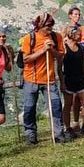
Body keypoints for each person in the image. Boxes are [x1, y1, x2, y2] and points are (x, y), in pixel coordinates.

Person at [19, 14, 64, 145]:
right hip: (31, 79)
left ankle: (58, 134)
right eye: (48, 26)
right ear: (39, 26)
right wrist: (44, 50)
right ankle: (30, 135)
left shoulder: (56, 37)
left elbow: (60, 55)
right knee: (29, 108)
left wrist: (52, 50)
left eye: (51, 25)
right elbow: (26, 59)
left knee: (56, 106)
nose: (50, 28)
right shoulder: (29, 38)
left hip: (49, 79)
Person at [60, 23, 84, 140]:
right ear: (72, 34)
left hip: (80, 79)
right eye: (79, 34)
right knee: (68, 105)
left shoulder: (81, 48)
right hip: (68, 79)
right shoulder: (64, 48)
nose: (81, 36)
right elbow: (60, 65)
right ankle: (68, 128)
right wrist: (62, 82)